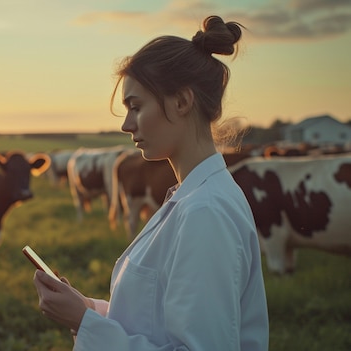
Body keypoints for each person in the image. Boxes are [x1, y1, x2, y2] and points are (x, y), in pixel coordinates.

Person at [32, 15, 269, 350]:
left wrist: (84, 324)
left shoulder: (206, 212)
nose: (127, 125)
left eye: (135, 106)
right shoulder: (192, 198)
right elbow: (155, 322)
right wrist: (89, 309)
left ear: (182, 102)